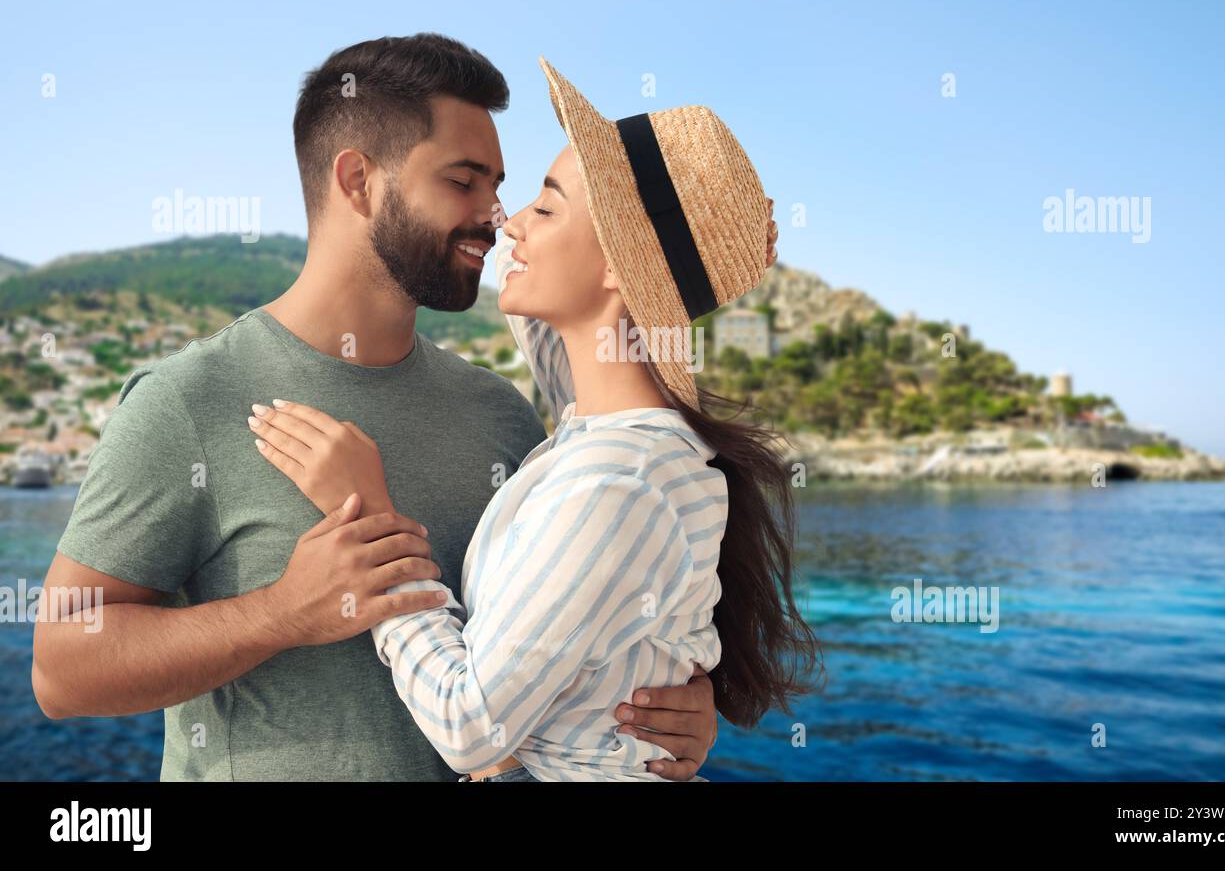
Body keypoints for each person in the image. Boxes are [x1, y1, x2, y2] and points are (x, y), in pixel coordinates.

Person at [32, 35, 720, 781]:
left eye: (502, 186)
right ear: (358, 180)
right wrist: (285, 612)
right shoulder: (191, 398)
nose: (496, 216)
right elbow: (63, 669)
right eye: (464, 181)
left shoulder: (503, 418)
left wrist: (661, 711)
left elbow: (556, 649)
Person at [246, 58, 824, 780]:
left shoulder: (618, 483)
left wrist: (369, 517)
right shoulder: (604, 431)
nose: (506, 222)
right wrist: (699, 266)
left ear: (620, 266)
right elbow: (565, 340)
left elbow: (469, 726)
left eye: (545, 208)